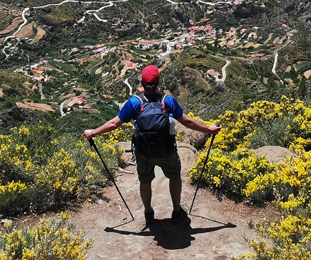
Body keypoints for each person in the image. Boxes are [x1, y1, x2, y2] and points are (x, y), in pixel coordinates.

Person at [85, 64, 220, 225]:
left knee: (145, 181)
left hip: (143, 152)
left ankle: (148, 212)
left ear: (142, 83)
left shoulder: (134, 102)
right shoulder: (167, 100)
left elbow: (114, 124)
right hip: (167, 150)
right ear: (158, 83)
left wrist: (93, 133)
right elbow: (188, 122)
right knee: (175, 177)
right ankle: (177, 211)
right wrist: (208, 130)